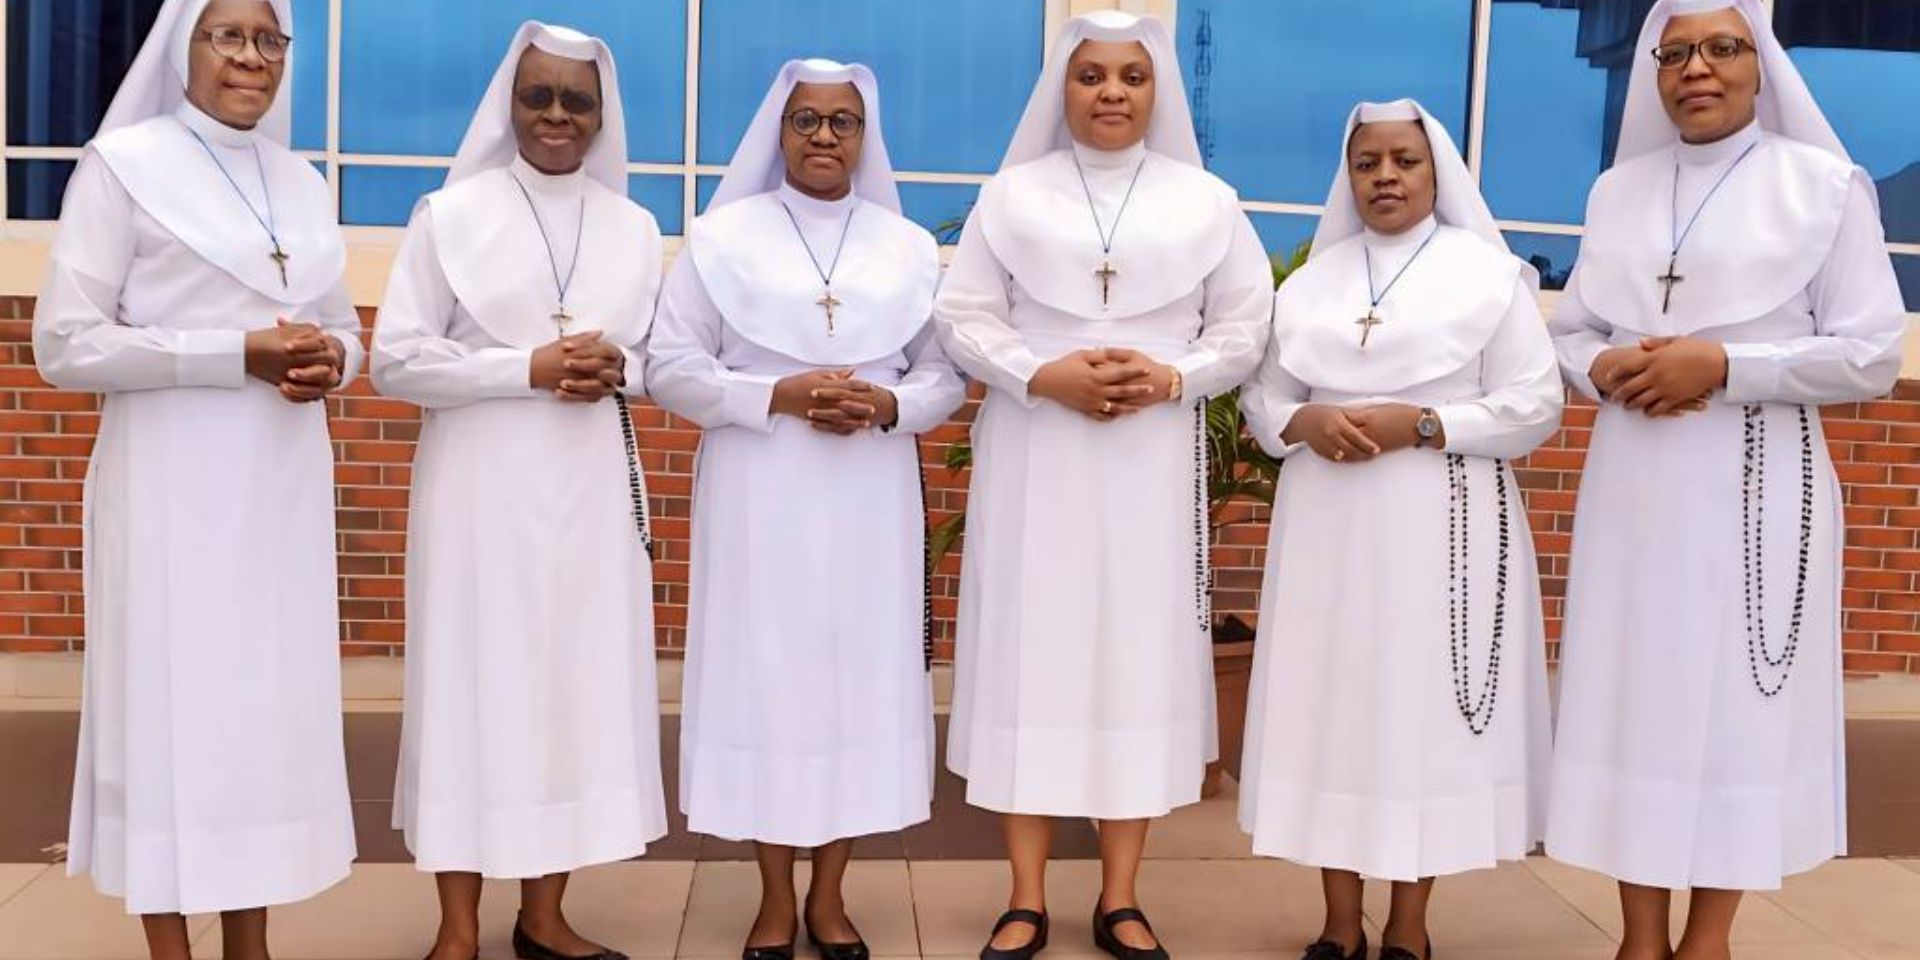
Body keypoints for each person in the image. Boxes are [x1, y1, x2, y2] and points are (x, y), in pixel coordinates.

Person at [1543, 2, 1907, 958]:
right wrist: (1608, 370)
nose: (1696, 68)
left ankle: (1708, 940)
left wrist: (1726, 368)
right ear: (1655, 73)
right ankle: (1639, 935)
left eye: (1721, 48)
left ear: (1761, 65)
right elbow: (1575, 329)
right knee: (1639, 702)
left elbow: (1870, 354)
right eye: (1676, 53)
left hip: (1758, 492)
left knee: (1736, 713)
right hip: (1636, 485)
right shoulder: (1619, 189)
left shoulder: (1824, 187)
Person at [932, 11, 1272, 960]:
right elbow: (962, 317)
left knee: (1136, 660)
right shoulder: (1011, 195)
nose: (1112, 92)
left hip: (1148, 456)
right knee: (1029, 658)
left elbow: (1245, 327)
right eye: (1092, 76)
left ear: (1155, 88)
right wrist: (1042, 373)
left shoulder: (1208, 200)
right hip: (1038, 447)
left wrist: (1172, 379)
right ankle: (1026, 895)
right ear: (1063, 88)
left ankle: (1122, 896)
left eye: (1131, 75)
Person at [31, 1, 357, 956]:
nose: (251, 58)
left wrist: (329, 359)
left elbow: (338, 319)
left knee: (257, 717)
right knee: (170, 714)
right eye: (230, 36)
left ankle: (248, 942)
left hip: (280, 485)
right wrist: (234, 355)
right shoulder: (123, 166)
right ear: (185, 48)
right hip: (171, 484)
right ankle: (170, 947)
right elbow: (67, 343)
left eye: (269, 41)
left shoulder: (302, 181)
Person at [648, 57, 963, 960]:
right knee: (769, 685)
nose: (824, 137)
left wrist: (889, 405)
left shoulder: (906, 249)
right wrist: (774, 397)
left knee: (855, 687)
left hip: (868, 492)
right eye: (807, 121)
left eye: (842, 122)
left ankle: (832, 895)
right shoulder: (720, 237)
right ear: (779, 131)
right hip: (761, 489)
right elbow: (670, 365)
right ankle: (774, 897)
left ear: (865, 137)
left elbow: (943, 371)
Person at [1236, 99, 1562, 960]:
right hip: (1328, 530)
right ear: (1348, 175)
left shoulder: (1488, 277)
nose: (1384, 176)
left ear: (1436, 173)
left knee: (1414, 720)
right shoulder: (1310, 285)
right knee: (1333, 711)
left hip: (1441, 525)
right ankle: (1340, 922)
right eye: (1368, 162)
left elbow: (1536, 406)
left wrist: (1422, 425)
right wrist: (1302, 425)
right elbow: (1264, 397)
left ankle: (1410, 923)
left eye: (1404, 161)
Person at [372, 22, 667, 960]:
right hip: (478, 499)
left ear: (600, 115)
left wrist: (621, 365)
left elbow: (660, 357)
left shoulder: (635, 227)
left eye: (576, 100)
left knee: (566, 696)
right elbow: (397, 362)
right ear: (510, 102)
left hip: (585, 497)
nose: (555, 115)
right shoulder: (447, 215)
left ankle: (544, 916)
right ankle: (457, 927)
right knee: (473, 691)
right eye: (537, 95)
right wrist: (525, 369)